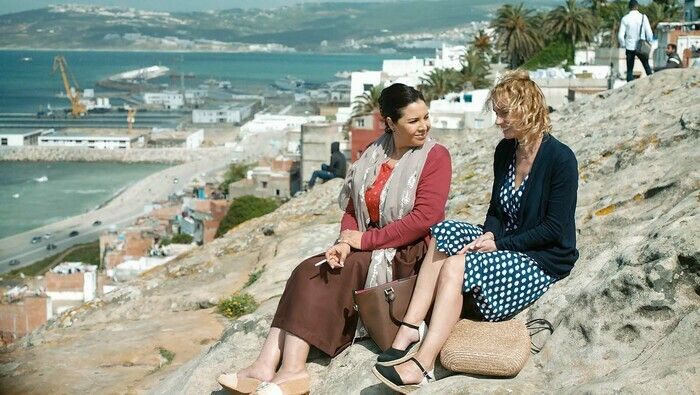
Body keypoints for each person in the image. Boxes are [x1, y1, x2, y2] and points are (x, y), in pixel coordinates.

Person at [217, 83, 452, 395]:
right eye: (414, 121)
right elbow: (353, 207)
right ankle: (266, 363)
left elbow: (425, 219)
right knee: (307, 268)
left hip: (406, 251)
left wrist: (364, 241)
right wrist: (344, 241)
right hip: (368, 244)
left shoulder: (435, 157)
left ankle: (292, 371)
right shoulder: (373, 154)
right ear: (390, 123)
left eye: (425, 117)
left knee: (322, 275)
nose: (424, 126)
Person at [372, 70, 579, 393]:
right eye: (496, 112)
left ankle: (421, 364)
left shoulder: (561, 159)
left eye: (503, 112)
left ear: (527, 109)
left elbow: (554, 229)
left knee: (457, 265)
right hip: (505, 242)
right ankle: (410, 328)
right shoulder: (506, 151)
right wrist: (489, 234)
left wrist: (500, 244)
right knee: (444, 231)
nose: (497, 120)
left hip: (542, 257)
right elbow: (496, 210)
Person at [618, 0, 653, 81]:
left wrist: (623, 44)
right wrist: (649, 42)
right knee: (646, 66)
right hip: (641, 46)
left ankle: (629, 86)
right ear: (637, 7)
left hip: (630, 46)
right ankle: (652, 82)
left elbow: (620, 36)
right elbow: (649, 33)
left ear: (629, 7)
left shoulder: (625, 19)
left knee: (629, 69)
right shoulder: (643, 17)